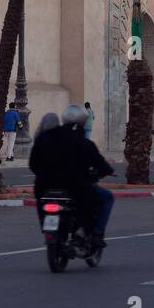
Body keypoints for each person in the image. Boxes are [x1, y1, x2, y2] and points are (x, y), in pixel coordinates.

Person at [28, 104, 116, 249]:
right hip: (75, 187)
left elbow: (33, 164)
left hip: (44, 186)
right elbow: (99, 162)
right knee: (105, 197)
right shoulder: (84, 142)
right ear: (83, 121)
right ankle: (95, 234)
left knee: (42, 201)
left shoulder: (45, 138)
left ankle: (48, 228)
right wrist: (108, 170)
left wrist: (44, 175)